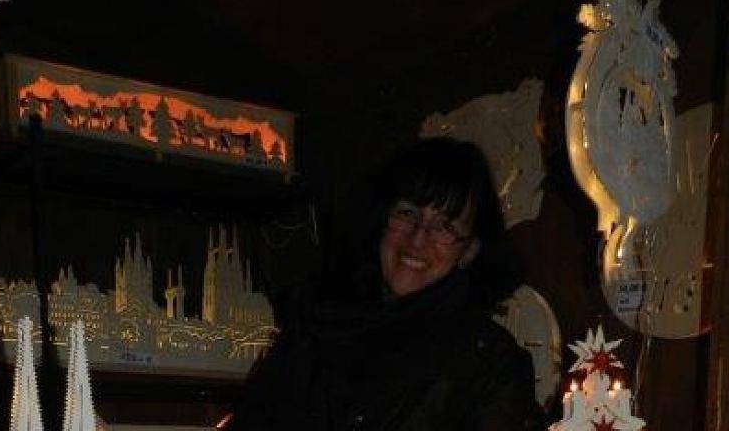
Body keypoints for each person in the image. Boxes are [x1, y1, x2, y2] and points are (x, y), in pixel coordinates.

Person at [224, 137, 544, 430]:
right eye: (407, 213)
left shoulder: (489, 366)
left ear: (470, 250)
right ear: (381, 218)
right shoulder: (315, 327)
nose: (418, 238)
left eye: (444, 226)